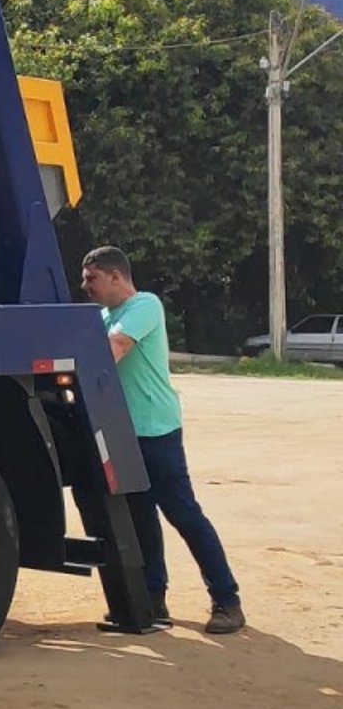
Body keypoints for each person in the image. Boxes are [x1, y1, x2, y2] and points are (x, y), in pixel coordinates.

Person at [79, 246, 245, 634]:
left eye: (92, 278)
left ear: (116, 276)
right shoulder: (105, 316)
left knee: (183, 513)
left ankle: (227, 600)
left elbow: (112, 352)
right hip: (125, 432)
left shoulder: (144, 306)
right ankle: (152, 600)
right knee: (141, 518)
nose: (85, 286)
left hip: (156, 429)